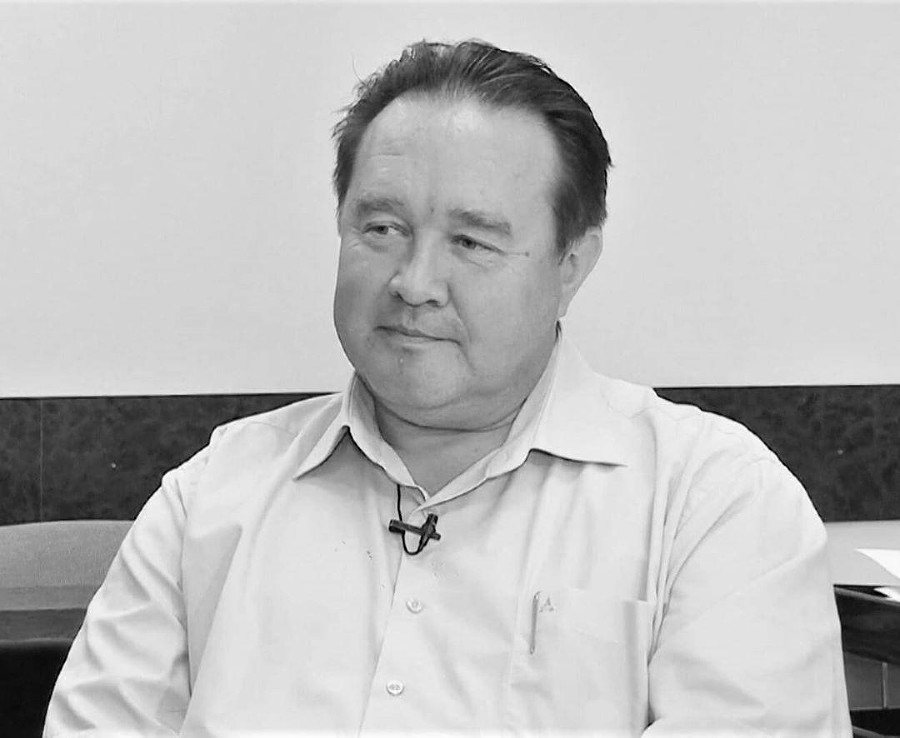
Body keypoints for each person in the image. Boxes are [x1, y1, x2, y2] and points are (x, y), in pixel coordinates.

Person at [44, 40, 850, 736]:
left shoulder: (713, 504)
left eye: (471, 241)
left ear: (571, 264)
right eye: (382, 229)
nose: (415, 282)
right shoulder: (212, 497)